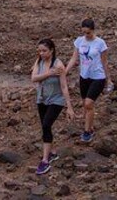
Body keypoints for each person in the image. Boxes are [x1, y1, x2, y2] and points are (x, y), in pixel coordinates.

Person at [30, 38, 75, 175]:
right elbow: (33, 78)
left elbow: (64, 86)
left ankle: (45, 161)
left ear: (52, 50)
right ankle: (53, 152)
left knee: (46, 125)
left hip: (56, 99)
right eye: (39, 51)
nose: (41, 53)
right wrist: (48, 73)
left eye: (44, 51)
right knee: (45, 126)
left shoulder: (59, 65)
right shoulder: (39, 61)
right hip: (42, 98)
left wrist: (69, 107)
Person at [65, 19, 111, 143]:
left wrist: (108, 79)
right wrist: (65, 71)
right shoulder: (79, 41)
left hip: (98, 76)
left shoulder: (100, 43)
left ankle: (87, 132)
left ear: (93, 30)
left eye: (88, 33)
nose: (86, 35)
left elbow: (104, 62)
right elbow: (74, 58)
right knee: (85, 102)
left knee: (88, 104)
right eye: (84, 32)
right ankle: (89, 126)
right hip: (84, 76)